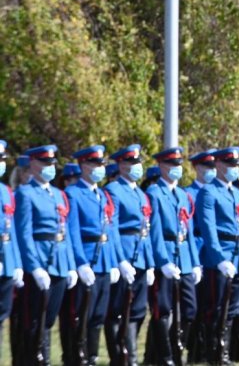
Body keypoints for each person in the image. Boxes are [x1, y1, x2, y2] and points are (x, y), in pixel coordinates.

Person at [195, 146, 239, 364]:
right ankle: (214, 353)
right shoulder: (208, 191)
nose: (234, 169)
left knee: (232, 309)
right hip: (221, 257)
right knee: (216, 308)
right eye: (230, 165)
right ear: (219, 165)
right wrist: (219, 258)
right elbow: (208, 228)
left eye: (236, 165)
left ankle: (223, 352)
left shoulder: (238, 194)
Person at [62, 144, 128, 365]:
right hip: (88, 260)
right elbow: (72, 232)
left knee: (99, 316)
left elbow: (111, 230)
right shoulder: (73, 193)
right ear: (83, 165)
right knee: (81, 315)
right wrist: (80, 263)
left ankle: (91, 356)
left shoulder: (102, 194)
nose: (100, 168)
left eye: (101, 164)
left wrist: (117, 262)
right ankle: (76, 357)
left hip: (104, 261)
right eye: (95, 164)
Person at [14, 145, 78, 365]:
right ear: (32, 164)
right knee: (35, 320)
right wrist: (34, 267)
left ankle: (43, 359)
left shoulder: (59, 195)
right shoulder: (25, 193)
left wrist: (70, 265)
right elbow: (24, 233)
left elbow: (65, 231)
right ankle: (36, 360)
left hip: (59, 261)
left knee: (49, 319)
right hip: (40, 262)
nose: (49, 167)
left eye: (51, 163)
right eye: (44, 163)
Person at [144, 146, 202, 365]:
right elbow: (155, 232)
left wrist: (195, 263)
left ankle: (177, 348)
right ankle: (166, 356)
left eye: (178, 164)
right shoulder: (154, 193)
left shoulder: (183, 194)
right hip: (167, 254)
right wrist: (162, 261)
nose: (176, 168)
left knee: (190, 309)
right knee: (163, 309)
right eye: (171, 164)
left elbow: (188, 229)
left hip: (185, 256)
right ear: (161, 166)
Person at [104, 144, 156, 365]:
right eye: (132, 162)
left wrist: (151, 262)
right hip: (125, 253)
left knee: (137, 310)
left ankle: (131, 355)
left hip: (142, 255)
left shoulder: (141, 194)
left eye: (138, 162)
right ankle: (121, 356)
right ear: (122, 165)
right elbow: (112, 228)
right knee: (118, 309)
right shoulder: (114, 190)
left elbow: (147, 229)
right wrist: (120, 260)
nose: (137, 167)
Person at [185, 149, 218, 363]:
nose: (212, 171)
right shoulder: (188, 193)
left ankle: (206, 350)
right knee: (194, 306)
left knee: (212, 304)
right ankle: (192, 350)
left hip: (214, 252)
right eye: (207, 166)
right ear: (197, 168)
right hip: (197, 249)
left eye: (214, 167)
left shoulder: (219, 191)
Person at [0, 141, 24, 360]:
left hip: (6, 262)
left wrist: (16, 263)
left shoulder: (6, 191)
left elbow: (12, 230)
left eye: (1, 159)